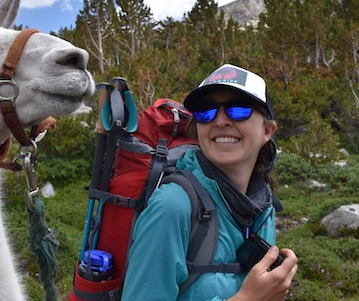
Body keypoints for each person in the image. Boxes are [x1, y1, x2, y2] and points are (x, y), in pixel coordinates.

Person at [122, 64, 298, 301]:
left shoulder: (262, 203)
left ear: (268, 130)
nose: (220, 121)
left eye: (238, 109)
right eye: (206, 111)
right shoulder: (173, 205)